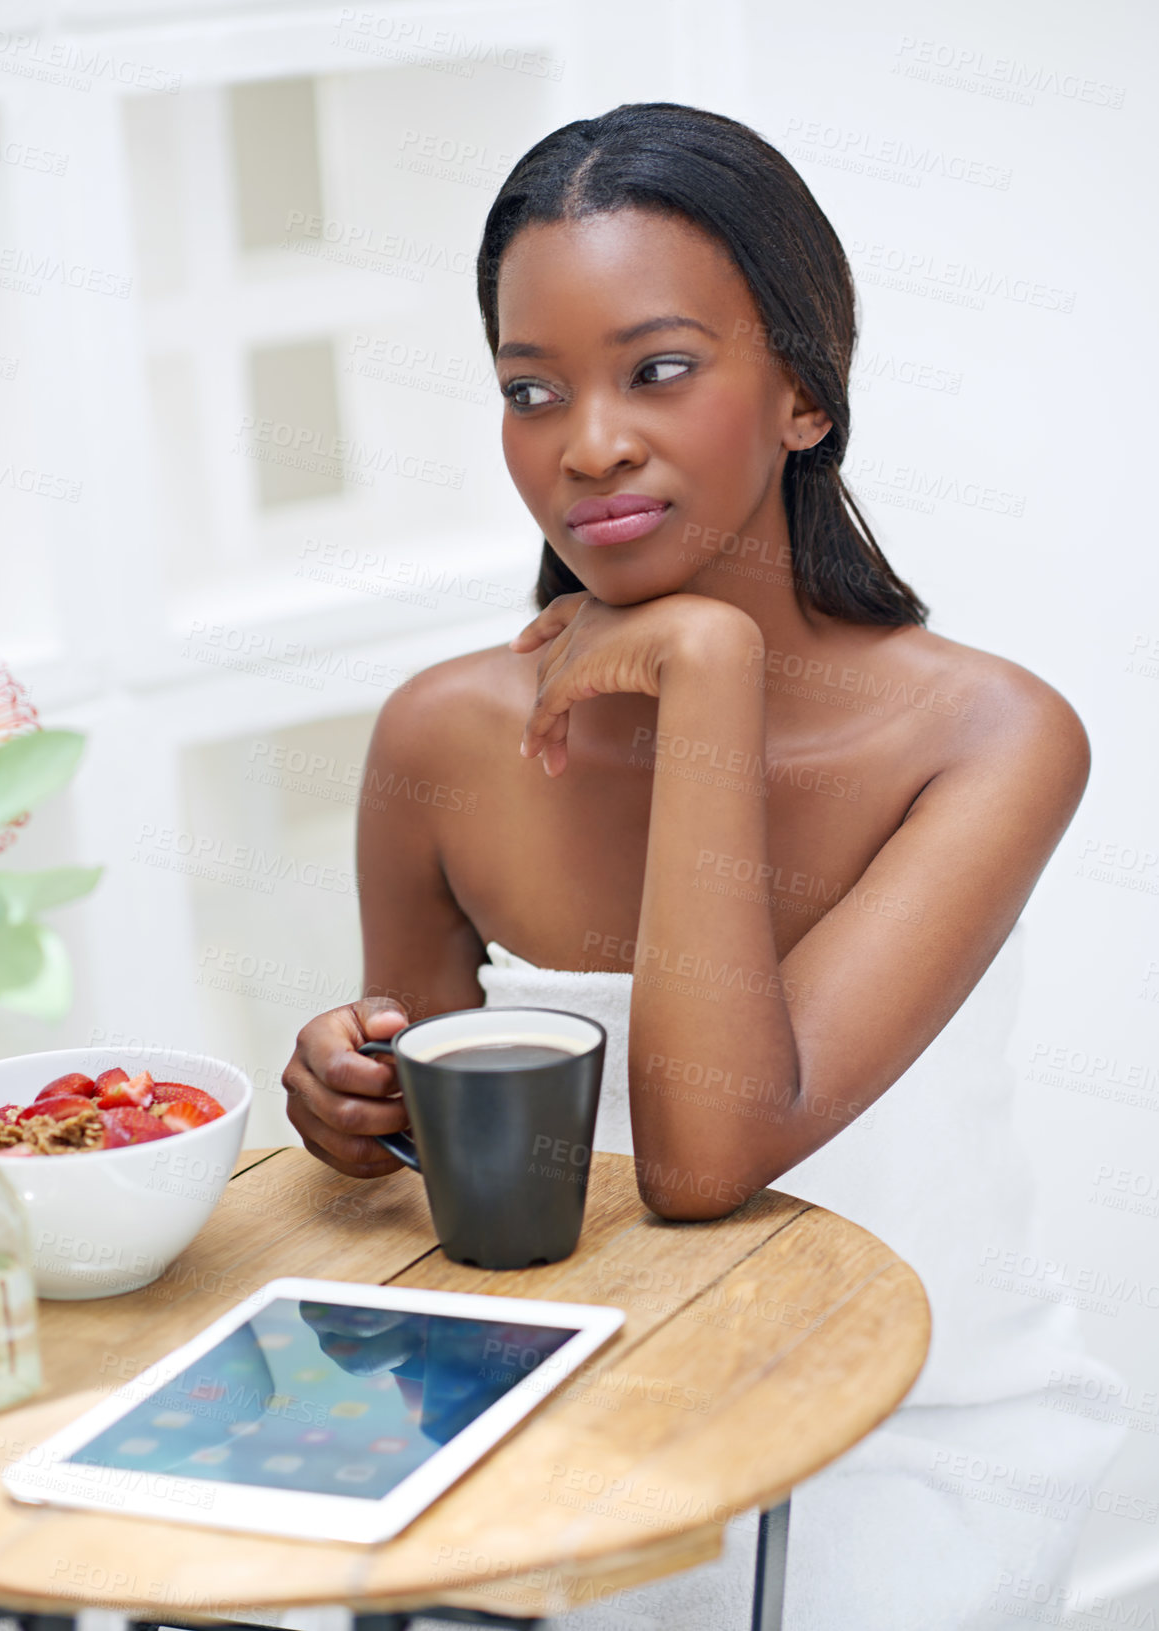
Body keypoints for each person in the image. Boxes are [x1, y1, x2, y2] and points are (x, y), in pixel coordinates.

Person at [282, 104, 1125, 1628]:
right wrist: (354, 1105)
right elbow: (441, 1191)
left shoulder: (991, 735)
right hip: (574, 1427)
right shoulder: (442, 740)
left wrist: (710, 672)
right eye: (529, 390)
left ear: (804, 391)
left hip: (907, 1437)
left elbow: (702, 1158)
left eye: (656, 371)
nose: (586, 441)